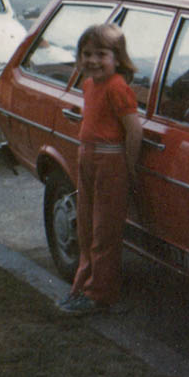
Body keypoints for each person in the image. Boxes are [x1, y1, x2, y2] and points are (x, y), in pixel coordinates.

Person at [58, 24, 142, 315]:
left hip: (110, 162)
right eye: (86, 54)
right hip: (88, 159)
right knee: (86, 226)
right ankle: (82, 285)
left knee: (105, 230)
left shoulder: (118, 87)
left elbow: (134, 131)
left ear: (117, 58)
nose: (92, 60)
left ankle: (99, 294)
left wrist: (129, 166)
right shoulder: (89, 84)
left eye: (101, 54)